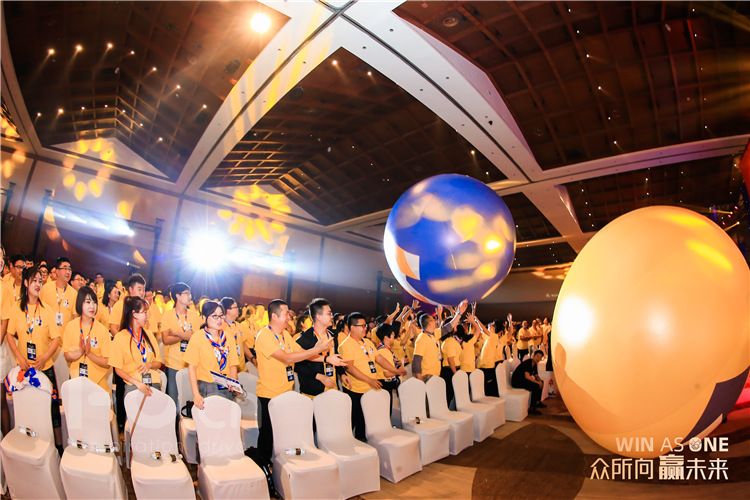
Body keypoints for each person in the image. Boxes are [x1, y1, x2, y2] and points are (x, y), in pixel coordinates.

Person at [254, 299, 335, 464]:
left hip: (286, 393)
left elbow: (302, 353)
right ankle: (263, 466)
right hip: (269, 394)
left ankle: (281, 465)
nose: (289, 317)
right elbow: (287, 358)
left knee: (283, 433)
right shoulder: (264, 336)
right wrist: (317, 349)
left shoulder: (285, 335)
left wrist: (326, 358)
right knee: (267, 434)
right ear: (275, 316)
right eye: (285, 314)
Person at [5, 265, 63, 448]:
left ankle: (57, 448)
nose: (38, 284)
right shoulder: (17, 308)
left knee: (52, 410)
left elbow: (56, 339)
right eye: (34, 281)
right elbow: (9, 334)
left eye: (40, 281)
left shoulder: (47, 310)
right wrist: (20, 357)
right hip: (24, 369)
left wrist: (44, 358)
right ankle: (31, 444)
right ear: (25, 283)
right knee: (28, 408)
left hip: (45, 368)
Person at [109, 296, 162, 427]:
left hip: (153, 384)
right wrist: (137, 383)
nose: (147, 316)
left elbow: (159, 363)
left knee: (154, 425)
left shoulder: (149, 335)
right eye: (144, 312)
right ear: (134, 314)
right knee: (136, 426)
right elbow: (118, 370)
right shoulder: (121, 337)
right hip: (134, 387)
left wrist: (149, 364)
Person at [185, 301, 240, 408]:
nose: (219, 320)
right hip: (207, 386)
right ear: (204, 318)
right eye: (215, 316)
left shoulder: (228, 337)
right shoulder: (198, 337)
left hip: (227, 386)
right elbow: (192, 368)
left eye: (221, 316)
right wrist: (196, 395)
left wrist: (233, 383)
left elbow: (233, 365)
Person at [339, 312, 381, 441]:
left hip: (369, 388)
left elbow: (378, 358)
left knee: (365, 419)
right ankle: (345, 443)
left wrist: (395, 370)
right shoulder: (346, 345)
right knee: (352, 419)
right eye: (362, 326)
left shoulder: (367, 342)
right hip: (355, 389)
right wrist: (369, 380)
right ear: (352, 327)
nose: (365, 328)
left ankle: (361, 441)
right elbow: (349, 368)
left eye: (365, 325)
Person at [62, 286, 111, 392]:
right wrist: (81, 351)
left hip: (97, 384)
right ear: (80, 303)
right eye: (88, 302)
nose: (92, 306)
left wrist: (89, 354)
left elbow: (107, 362)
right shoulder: (70, 326)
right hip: (76, 381)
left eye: (94, 302)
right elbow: (67, 356)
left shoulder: (103, 330)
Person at [160, 282, 202, 408]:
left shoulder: (194, 315)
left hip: (190, 365)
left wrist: (177, 333)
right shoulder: (168, 315)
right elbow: (165, 339)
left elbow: (195, 338)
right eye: (187, 293)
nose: (190, 296)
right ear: (177, 296)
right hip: (173, 364)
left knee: (188, 401)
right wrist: (184, 336)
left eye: (190, 293)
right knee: (173, 401)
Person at [294, 298, 345, 398]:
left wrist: (342, 373)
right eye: (329, 313)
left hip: (332, 388)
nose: (332, 316)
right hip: (313, 392)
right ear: (318, 316)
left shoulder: (332, 335)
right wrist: (319, 376)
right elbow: (298, 366)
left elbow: (334, 357)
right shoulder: (304, 339)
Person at [412, 299, 468, 381]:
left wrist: (459, 313)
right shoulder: (421, 339)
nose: (435, 321)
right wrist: (420, 380)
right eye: (433, 319)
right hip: (426, 378)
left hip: (435, 376)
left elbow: (449, 327)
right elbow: (416, 360)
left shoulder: (434, 333)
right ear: (429, 323)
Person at [374, 322, 406, 412]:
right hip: (384, 384)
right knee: (385, 411)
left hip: (385, 384)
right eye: (392, 334)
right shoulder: (384, 351)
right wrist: (398, 372)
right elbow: (387, 374)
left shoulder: (386, 349)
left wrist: (398, 366)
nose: (394, 335)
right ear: (386, 337)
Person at [40, 257, 77, 329]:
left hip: (65, 334)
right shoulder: (46, 288)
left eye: (69, 269)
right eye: (65, 268)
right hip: (47, 333)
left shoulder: (74, 293)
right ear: (57, 271)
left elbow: (75, 318)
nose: (68, 272)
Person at [511, 350, 546, 415]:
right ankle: (532, 408)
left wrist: (540, 381)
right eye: (537, 356)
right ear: (533, 356)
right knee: (535, 386)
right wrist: (538, 383)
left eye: (540, 357)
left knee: (541, 382)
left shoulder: (535, 364)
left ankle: (537, 402)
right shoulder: (528, 363)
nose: (538, 358)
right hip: (517, 381)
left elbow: (536, 375)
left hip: (523, 380)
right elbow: (527, 376)